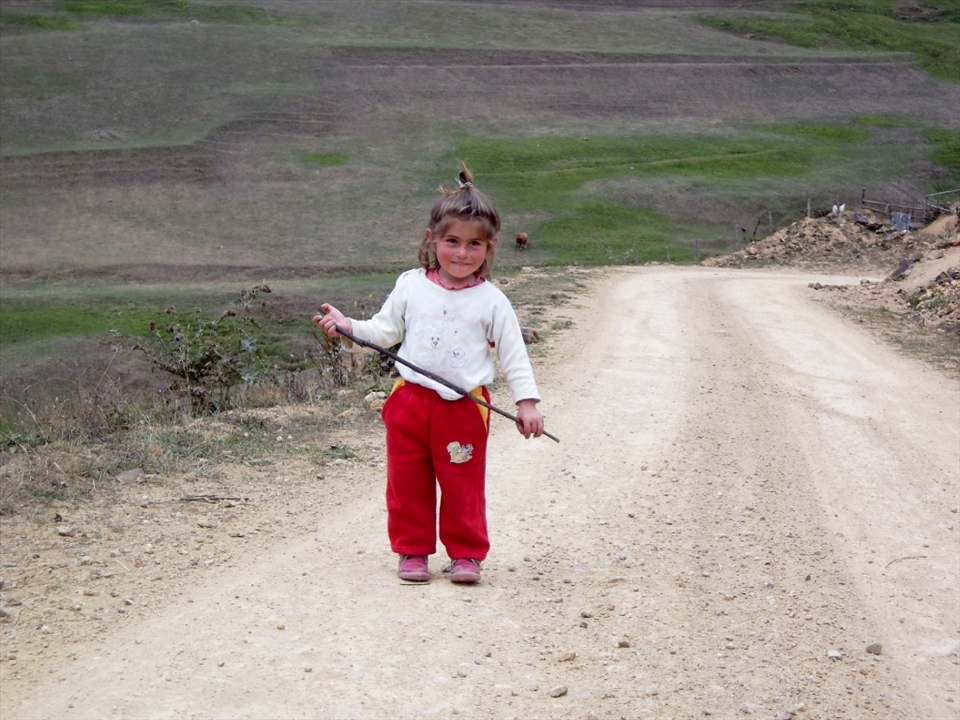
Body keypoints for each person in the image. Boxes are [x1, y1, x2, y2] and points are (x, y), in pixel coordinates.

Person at [313, 163, 544, 584]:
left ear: (489, 248)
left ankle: (466, 555)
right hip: (409, 402)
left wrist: (527, 403)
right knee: (407, 481)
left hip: (463, 408)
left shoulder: (492, 301)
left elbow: (513, 355)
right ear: (431, 240)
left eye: (474, 244)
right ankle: (412, 551)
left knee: (463, 484)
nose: (462, 253)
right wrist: (348, 327)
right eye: (452, 241)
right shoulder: (411, 285)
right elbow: (383, 331)